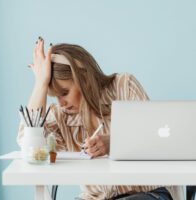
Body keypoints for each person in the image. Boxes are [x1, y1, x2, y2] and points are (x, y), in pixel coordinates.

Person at [17, 37, 181, 200]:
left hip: (148, 194)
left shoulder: (124, 86)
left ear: (85, 80)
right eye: (54, 96)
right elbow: (28, 145)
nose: (61, 103)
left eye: (65, 93)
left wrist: (114, 142)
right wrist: (40, 83)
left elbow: (157, 138)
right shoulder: (59, 116)